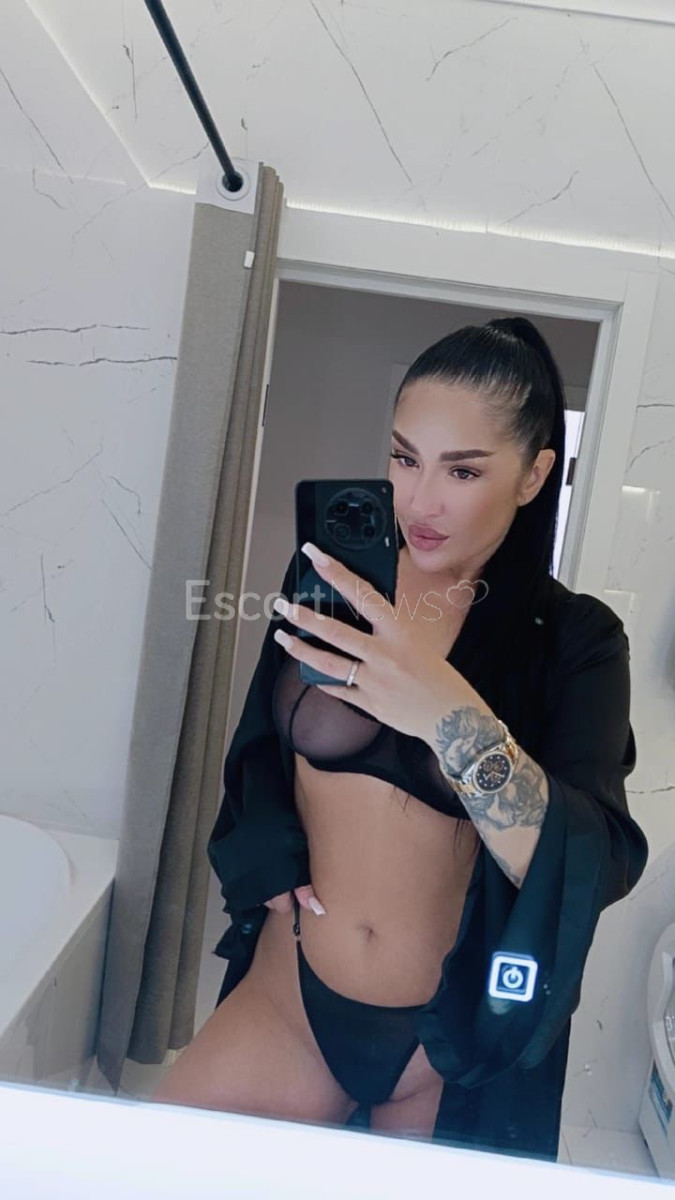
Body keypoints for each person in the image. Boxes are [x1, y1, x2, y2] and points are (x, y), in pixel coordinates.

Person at [152, 316, 648, 1160]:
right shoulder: (329, 585)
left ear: (532, 475)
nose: (419, 501)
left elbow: (589, 862)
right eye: (404, 457)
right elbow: (261, 751)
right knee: (137, 1167)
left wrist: (446, 715)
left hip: (446, 1047)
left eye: (462, 470)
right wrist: (268, 858)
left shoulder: (576, 641)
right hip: (289, 1000)